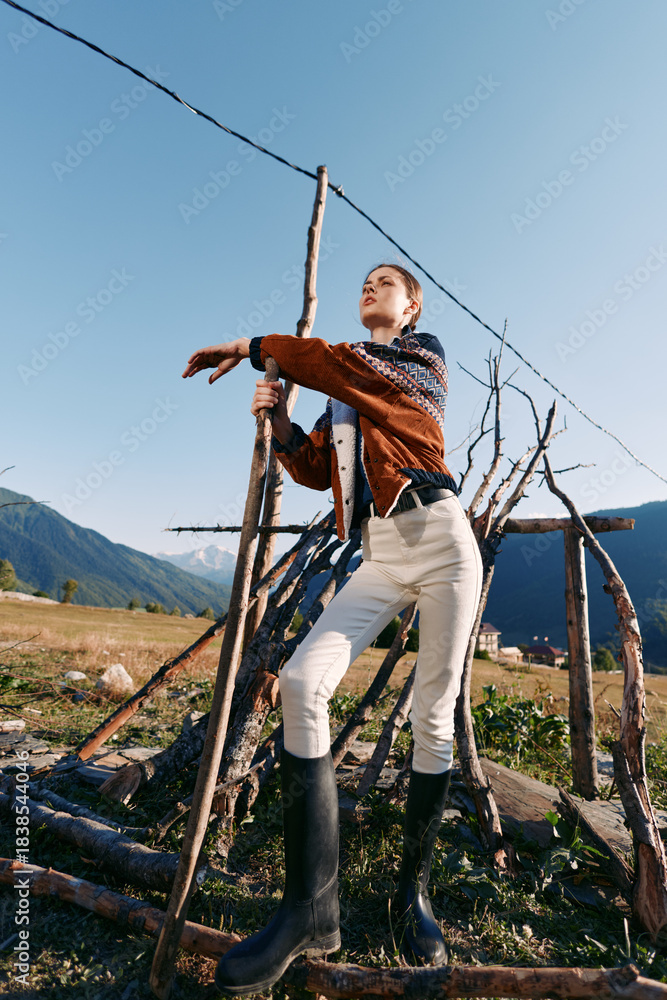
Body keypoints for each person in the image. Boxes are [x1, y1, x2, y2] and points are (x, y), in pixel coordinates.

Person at [182, 264, 483, 996]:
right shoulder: (343, 384)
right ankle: (312, 908)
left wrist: (256, 346)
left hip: (441, 544)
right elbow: (319, 469)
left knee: (431, 718)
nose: (370, 288)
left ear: (411, 307)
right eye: (365, 282)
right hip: (379, 553)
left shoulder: (419, 360)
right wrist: (282, 422)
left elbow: (342, 368)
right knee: (299, 681)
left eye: (386, 283)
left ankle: (411, 895)